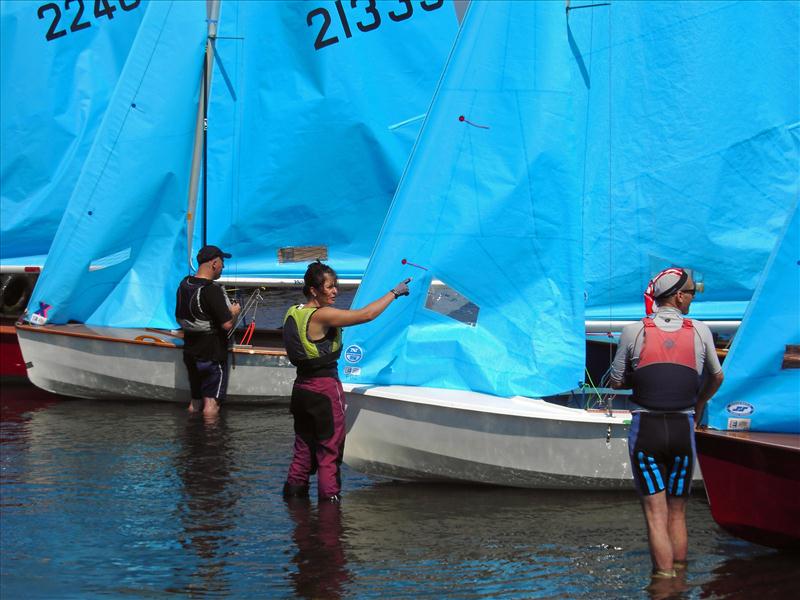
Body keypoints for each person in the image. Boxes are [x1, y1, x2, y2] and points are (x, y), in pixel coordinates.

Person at [609, 267, 723, 579]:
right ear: (677, 296)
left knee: (656, 515)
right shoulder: (700, 331)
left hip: (646, 430)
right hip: (682, 429)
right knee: (677, 513)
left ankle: (662, 583)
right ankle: (681, 582)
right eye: (690, 293)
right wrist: (700, 401)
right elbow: (717, 376)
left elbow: (617, 380)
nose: (692, 299)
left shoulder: (634, 331)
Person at [282, 260, 411, 503]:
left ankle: (294, 505)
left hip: (300, 390)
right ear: (314, 291)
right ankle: (330, 515)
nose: (335, 291)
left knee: (303, 449)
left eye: (335, 286)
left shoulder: (293, 311)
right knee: (329, 451)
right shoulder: (322, 315)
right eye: (329, 287)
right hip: (323, 390)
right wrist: (394, 293)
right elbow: (366, 315)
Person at [175, 245, 241, 416]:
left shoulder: (184, 283)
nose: (223, 267)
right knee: (211, 405)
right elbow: (226, 325)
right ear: (214, 263)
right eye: (222, 262)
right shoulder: (212, 290)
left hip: (190, 351)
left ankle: (191, 439)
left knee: (195, 402)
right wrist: (234, 313)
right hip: (211, 353)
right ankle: (210, 442)